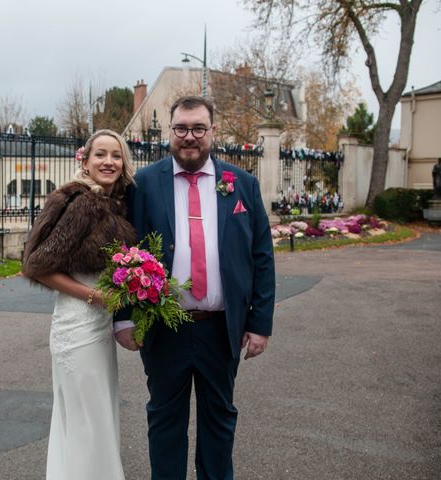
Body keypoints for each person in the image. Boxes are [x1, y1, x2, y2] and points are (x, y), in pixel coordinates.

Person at [115, 96, 275, 479]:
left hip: (221, 327)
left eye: (198, 129)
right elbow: (124, 250)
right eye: (182, 128)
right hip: (162, 326)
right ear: (170, 132)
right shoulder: (144, 184)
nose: (190, 137)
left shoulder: (243, 185)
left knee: (219, 420)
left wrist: (260, 323)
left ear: (213, 132)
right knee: (165, 421)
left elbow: (262, 256)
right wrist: (123, 318)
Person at [22, 129, 136, 480]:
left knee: (95, 412)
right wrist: (94, 296)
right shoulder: (81, 202)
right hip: (79, 323)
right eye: (100, 154)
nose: (109, 161)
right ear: (84, 161)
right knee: (88, 414)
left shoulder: (113, 202)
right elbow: (36, 267)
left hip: (99, 324)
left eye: (116, 155)